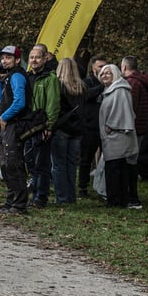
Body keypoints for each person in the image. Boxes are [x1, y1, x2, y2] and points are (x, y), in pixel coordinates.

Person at [0, 45, 33, 215]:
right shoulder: (8, 76)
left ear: (17, 60)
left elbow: (19, 102)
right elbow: (1, 99)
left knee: (13, 163)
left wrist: (4, 117)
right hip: (8, 124)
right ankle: (10, 201)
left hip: (15, 124)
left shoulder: (17, 75)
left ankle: (19, 204)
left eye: (8, 57)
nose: (4, 60)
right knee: (6, 163)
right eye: (2, 57)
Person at [98, 64, 139, 209]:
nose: (104, 75)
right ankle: (117, 200)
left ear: (115, 74)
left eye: (108, 73)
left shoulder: (120, 90)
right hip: (112, 137)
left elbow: (123, 111)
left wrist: (111, 126)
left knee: (116, 170)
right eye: (102, 73)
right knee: (116, 169)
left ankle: (115, 201)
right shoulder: (109, 90)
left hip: (118, 136)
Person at [26, 44, 60, 208]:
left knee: (42, 163)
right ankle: (32, 192)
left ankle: (40, 196)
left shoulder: (50, 78)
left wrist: (49, 126)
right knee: (30, 161)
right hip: (27, 126)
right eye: (31, 57)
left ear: (45, 58)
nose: (34, 60)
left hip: (42, 126)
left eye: (37, 57)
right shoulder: (27, 77)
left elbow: (53, 104)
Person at [50, 58, 86, 205]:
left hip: (62, 128)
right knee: (71, 164)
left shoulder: (58, 86)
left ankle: (62, 197)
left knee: (58, 164)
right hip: (77, 130)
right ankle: (71, 196)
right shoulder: (81, 87)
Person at [120, 56, 148, 208]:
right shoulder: (142, 81)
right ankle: (131, 195)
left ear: (124, 67)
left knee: (129, 163)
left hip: (131, 128)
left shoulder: (132, 83)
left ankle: (131, 197)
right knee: (131, 162)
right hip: (140, 127)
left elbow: (129, 107)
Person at [78, 56, 106, 198]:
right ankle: (83, 187)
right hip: (90, 126)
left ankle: (103, 186)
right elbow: (86, 95)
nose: (103, 69)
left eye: (105, 66)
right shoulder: (86, 82)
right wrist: (102, 86)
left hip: (105, 126)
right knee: (86, 159)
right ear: (93, 68)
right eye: (100, 66)